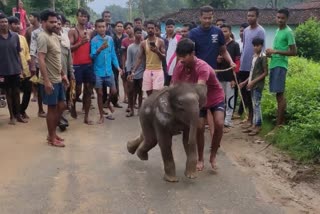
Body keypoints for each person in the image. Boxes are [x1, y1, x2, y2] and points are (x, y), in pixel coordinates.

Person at [172, 38, 225, 171]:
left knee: (219, 123)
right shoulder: (179, 66)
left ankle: (213, 156)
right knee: (199, 127)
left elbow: (200, 89)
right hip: (197, 100)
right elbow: (174, 87)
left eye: (184, 56)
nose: (181, 59)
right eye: (179, 56)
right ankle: (200, 158)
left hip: (213, 97)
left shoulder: (202, 67)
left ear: (193, 53)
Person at [189, 5, 235, 142]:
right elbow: (191, 55)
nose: (207, 21)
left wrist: (231, 62)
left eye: (210, 18)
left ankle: (214, 136)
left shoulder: (218, 32)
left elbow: (223, 50)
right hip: (198, 76)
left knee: (211, 104)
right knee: (200, 105)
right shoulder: (193, 34)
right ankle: (196, 133)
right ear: (200, 18)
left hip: (213, 75)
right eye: (205, 18)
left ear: (213, 17)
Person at [37, 9, 69, 147]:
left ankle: (52, 133)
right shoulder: (42, 37)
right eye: (51, 22)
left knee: (62, 106)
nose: (55, 24)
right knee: (52, 108)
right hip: (50, 80)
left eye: (56, 21)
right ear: (43, 22)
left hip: (58, 78)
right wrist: (47, 81)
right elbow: (41, 60)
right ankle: (51, 138)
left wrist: (63, 74)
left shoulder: (55, 36)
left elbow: (57, 59)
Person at [266, 8, 297, 127]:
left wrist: (275, 51)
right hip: (274, 63)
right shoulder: (278, 30)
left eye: (282, 18)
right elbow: (278, 49)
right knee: (277, 94)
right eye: (278, 17)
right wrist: (271, 54)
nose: (280, 20)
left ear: (287, 18)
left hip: (281, 65)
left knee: (280, 95)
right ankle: (280, 123)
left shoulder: (288, 32)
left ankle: (278, 125)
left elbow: (294, 52)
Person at [239, 7, 266, 129]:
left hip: (255, 67)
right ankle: (249, 118)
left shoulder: (261, 31)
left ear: (257, 16)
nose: (250, 18)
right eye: (248, 15)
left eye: (252, 16)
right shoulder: (245, 31)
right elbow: (245, 47)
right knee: (245, 94)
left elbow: (262, 49)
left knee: (253, 95)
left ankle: (254, 121)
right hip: (244, 65)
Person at [90, 19, 121, 123]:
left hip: (109, 71)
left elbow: (113, 55)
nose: (102, 28)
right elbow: (92, 56)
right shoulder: (94, 40)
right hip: (98, 71)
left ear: (106, 27)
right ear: (96, 28)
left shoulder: (110, 39)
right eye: (99, 27)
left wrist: (117, 66)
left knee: (114, 91)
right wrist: (99, 49)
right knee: (99, 93)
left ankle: (108, 103)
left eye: (103, 26)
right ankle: (101, 115)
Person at [68, 8, 94, 124]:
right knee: (77, 90)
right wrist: (80, 43)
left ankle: (86, 116)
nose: (83, 18)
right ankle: (72, 105)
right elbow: (69, 48)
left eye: (85, 16)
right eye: (81, 16)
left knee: (88, 90)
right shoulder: (73, 31)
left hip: (88, 64)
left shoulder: (90, 32)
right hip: (77, 65)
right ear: (77, 17)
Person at [0, 14, 27, 124]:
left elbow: (18, 53)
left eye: (5, 21)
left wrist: (21, 68)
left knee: (16, 93)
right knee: (8, 93)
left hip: (15, 70)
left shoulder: (15, 36)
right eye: (1, 22)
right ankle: (12, 116)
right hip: (3, 71)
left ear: (8, 23)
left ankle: (18, 115)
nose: (3, 23)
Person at [239, 38, 268, 135]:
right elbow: (251, 72)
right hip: (251, 84)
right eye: (254, 45)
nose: (255, 47)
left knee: (257, 105)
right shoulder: (254, 56)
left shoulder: (263, 57)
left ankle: (258, 126)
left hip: (257, 85)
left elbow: (265, 73)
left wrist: (253, 82)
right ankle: (254, 125)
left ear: (261, 46)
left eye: (258, 45)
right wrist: (245, 82)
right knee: (254, 104)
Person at [131, 20, 166, 96]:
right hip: (148, 70)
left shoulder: (160, 42)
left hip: (158, 70)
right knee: (149, 95)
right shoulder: (143, 43)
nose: (150, 30)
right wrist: (133, 71)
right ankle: (152, 107)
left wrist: (157, 51)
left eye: (152, 28)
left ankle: (156, 107)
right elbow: (140, 58)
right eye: (149, 28)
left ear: (155, 29)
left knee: (156, 94)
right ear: (146, 29)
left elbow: (164, 57)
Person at [216, 24, 240, 130]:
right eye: (222, 31)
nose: (223, 33)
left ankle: (228, 120)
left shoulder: (235, 45)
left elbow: (237, 62)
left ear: (230, 32)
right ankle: (220, 118)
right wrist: (218, 60)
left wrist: (234, 79)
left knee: (230, 98)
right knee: (220, 99)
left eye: (225, 31)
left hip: (230, 76)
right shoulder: (218, 45)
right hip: (219, 75)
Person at [8, 16, 32, 120]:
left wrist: (31, 66)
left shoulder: (22, 38)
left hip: (25, 69)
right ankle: (15, 113)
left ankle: (22, 110)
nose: (18, 26)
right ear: (9, 25)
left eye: (19, 24)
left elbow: (27, 53)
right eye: (15, 24)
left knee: (28, 91)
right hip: (13, 70)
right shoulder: (7, 38)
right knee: (14, 92)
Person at [29, 17, 47, 118]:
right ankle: (40, 109)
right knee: (40, 86)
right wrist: (32, 65)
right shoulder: (36, 33)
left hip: (52, 64)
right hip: (38, 63)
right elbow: (33, 48)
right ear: (43, 21)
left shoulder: (54, 31)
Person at [126, 27, 144, 117]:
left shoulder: (144, 45)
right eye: (137, 32)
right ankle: (131, 109)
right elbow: (128, 61)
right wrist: (129, 72)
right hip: (133, 72)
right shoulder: (130, 47)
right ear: (134, 33)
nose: (139, 34)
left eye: (140, 33)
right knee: (131, 92)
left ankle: (140, 109)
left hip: (142, 72)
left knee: (140, 91)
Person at [111, 21, 126, 108]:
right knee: (115, 80)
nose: (119, 28)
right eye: (118, 26)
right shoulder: (111, 38)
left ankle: (126, 97)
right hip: (114, 62)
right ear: (115, 28)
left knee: (125, 80)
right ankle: (115, 100)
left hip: (123, 61)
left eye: (121, 26)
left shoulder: (126, 37)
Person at [164, 19, 182, 86]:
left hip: (175, 68)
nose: (170, 29)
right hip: (165, 68)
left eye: (171, 27)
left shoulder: (179, 38)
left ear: (174, 27)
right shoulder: (163, 39)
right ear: (165, 28)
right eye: (168, 27)